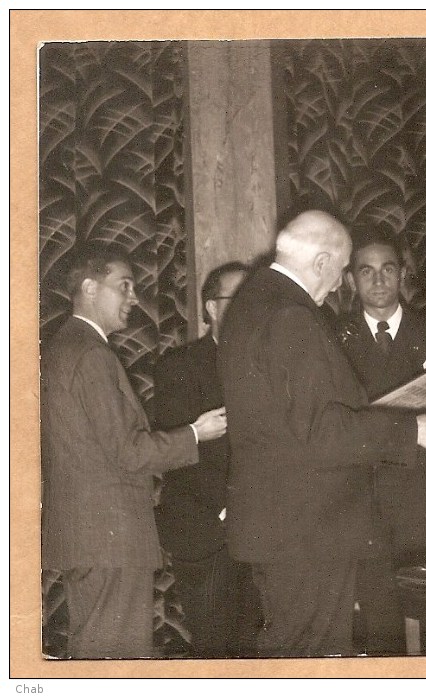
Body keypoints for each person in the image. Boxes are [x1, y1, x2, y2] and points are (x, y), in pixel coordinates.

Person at [217, 210, 426, 657]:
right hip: (307, 531)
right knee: (306, 661)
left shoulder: (252, 303)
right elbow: (322, 429)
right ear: (322, 262)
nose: (336, 287)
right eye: (339, 271)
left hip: (282, 526)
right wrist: (413, 429)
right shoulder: (291, 315)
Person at [41, 244, 227, 659]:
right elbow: (128, 453)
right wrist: (197, 433)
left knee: (97, 655)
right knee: (115, 662)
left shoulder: (65, 347)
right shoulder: (91, 354)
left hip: (90, 536)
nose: (134, 298)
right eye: (124, 286)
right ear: (89, 288)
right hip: (109, 537)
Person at [337, 229, 426, 653]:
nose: (378, 280)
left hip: (423, 497)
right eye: (366, 271)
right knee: (381, 623)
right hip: (363, 500)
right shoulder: (332, 341)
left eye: (387, 269)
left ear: (402, 274)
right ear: (351, 280)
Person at [151, 261, 260, 657]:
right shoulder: (179, 366)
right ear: (211, 308)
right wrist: (234, 504)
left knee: (256, 650)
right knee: (215, 652)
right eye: (238, 299)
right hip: (205, 532)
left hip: (262, 534)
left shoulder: (267, 364)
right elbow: (178, 452)